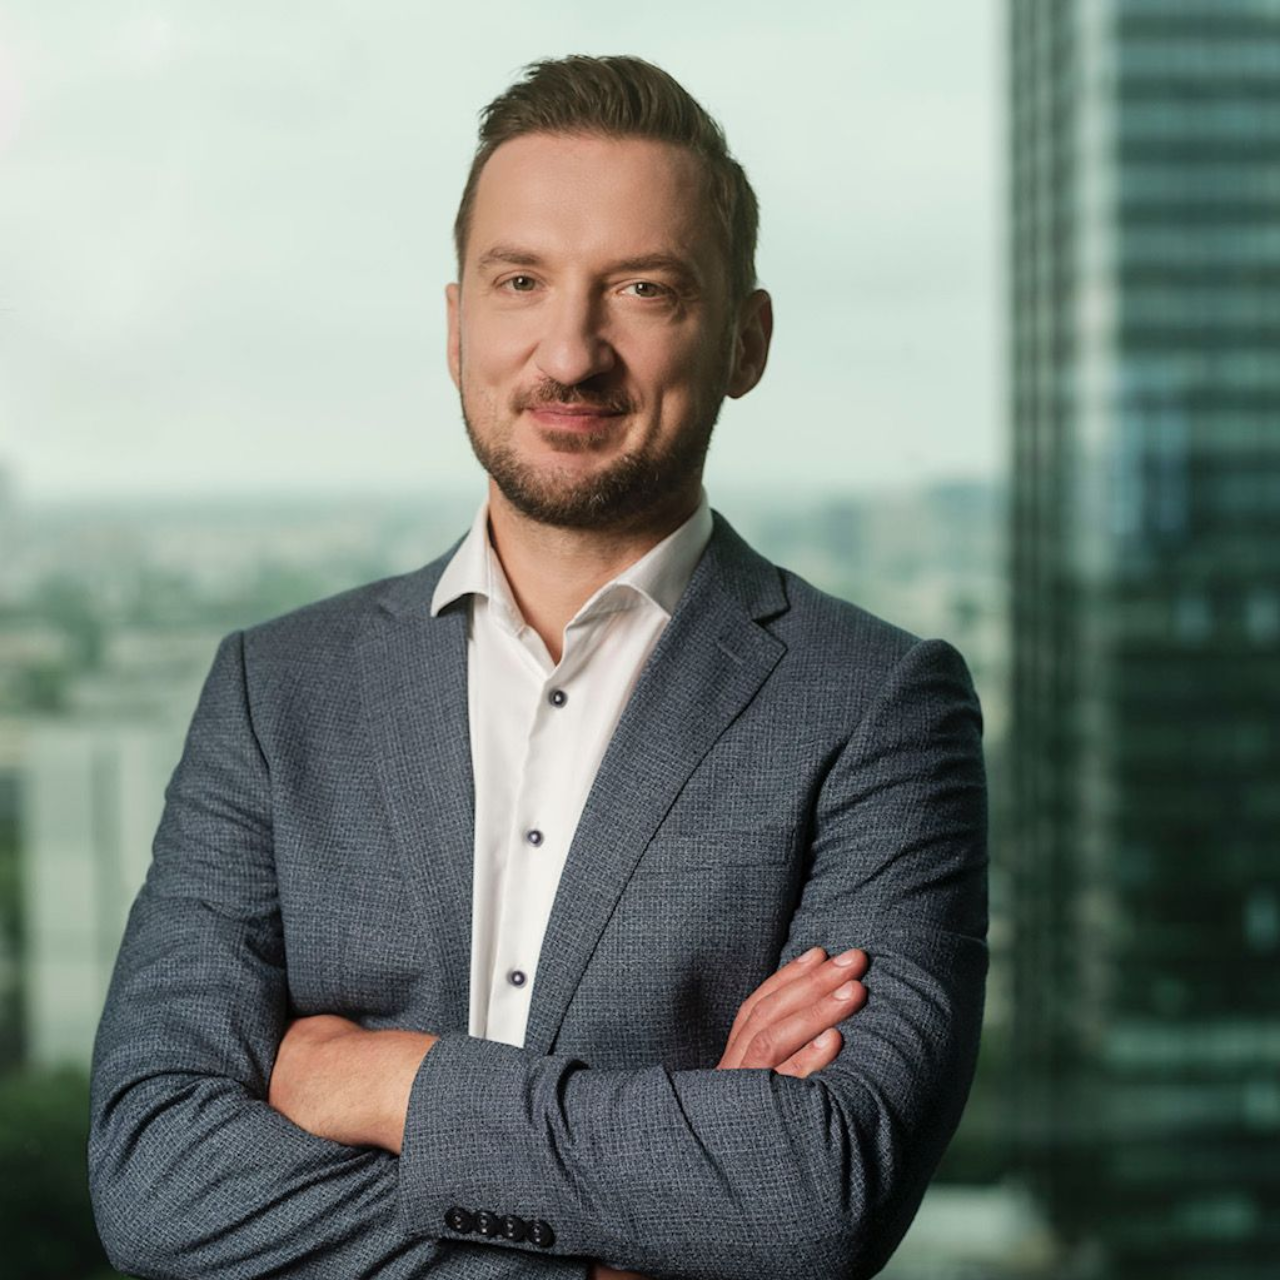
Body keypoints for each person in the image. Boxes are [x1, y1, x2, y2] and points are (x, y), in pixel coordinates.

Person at [88, 55, 987, 1280]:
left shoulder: (877, 706)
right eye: (522, 281)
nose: (569, 352)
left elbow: (816, 1188)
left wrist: (385, 1079)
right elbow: (153, 1177)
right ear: (457, 325)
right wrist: (632, 1235)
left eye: (641, 288)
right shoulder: (272, 689)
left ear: (745, 338)